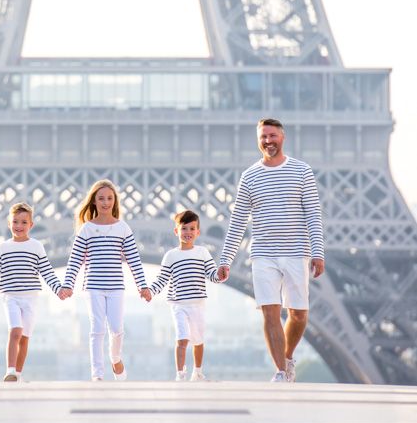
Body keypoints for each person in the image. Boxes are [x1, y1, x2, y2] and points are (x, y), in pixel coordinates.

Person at [217, 118, 325, 383]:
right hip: (263, 254)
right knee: (270, 311)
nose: (268, 141)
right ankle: (280, 371)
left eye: (272, 135)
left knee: (299, 314)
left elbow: (313, 213)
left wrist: (318, 252)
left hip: (296, 252)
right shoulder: (250, 176)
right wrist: (225, 259)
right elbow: (238, 221)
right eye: (263, 136)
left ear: (283, 137)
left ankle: (286, 356)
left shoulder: (302, 171)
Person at [61, 179, 150, 381]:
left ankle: (115, 358)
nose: (105, 202)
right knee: (97, 328)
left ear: (115, 201)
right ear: (93, 201)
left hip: (116, 287)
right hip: (93, 287)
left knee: (117, 329)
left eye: (109, 198)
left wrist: (143, 286)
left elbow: (134, 260)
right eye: (101, 198)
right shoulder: (86, 229)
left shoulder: (123, 228)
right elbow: (75, 260)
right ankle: (97, 374)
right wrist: (68, 285)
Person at [0, 201, 68, 382]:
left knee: (25, 337)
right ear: (9, 224)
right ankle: (9, 370)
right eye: (15, 222)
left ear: (31, 225)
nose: (19, 226)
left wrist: (59, 289)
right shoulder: (3, 247)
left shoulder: (36, 246)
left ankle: (17, 373)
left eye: (24, 222)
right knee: (15, 331)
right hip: (11, 296)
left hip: (31, 298)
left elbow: (47, 272)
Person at [146, 209, 220, 382]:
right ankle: (180, 374)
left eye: (192, 229)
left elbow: (211, 274)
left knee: (198, 340)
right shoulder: (170, 256)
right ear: (176, 231)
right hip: (178, 304)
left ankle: (198, 372)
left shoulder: (202, 252)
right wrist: (150, 291)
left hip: (198, 303)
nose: (188, 232)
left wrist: (220, 275)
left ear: (198, 232)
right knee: (182, 338)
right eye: (184, 228)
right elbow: (162, 279)